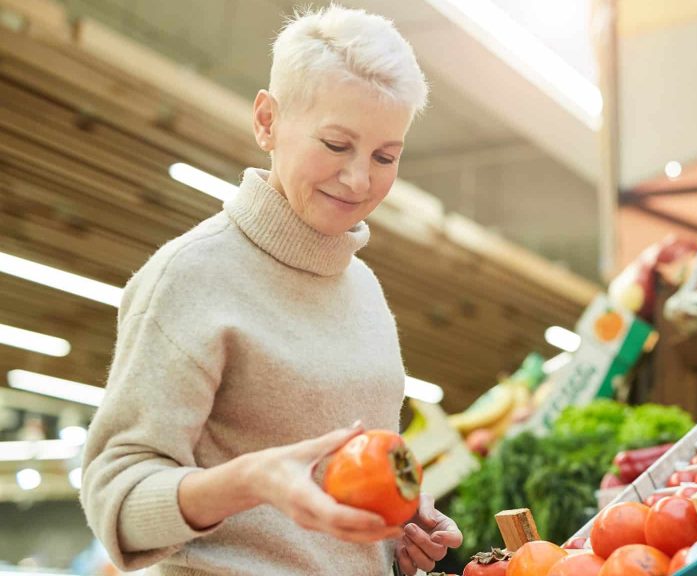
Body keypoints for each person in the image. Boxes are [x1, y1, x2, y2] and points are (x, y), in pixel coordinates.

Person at [80, 5, 461, 575]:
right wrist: (250, 481)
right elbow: (118, 501)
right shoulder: (190, 277)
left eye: (385, 156)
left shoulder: (366, 292)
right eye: (336, 144)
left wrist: (397, 528)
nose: (360, 179)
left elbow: (348, 492)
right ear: (266, 121)